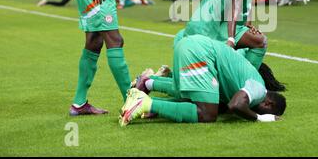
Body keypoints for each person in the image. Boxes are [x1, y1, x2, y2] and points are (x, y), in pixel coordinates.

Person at [119, 35, 286, 125]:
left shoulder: (247, 78)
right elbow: (236, 105)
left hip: (190, 45)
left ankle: (145, 96)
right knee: (207, 114)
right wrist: (259, 118)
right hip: (200, 53)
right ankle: (144, 103)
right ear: (268, 104)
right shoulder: (259, 88)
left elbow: (225, 106)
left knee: (197, 100)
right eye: (267, 112)